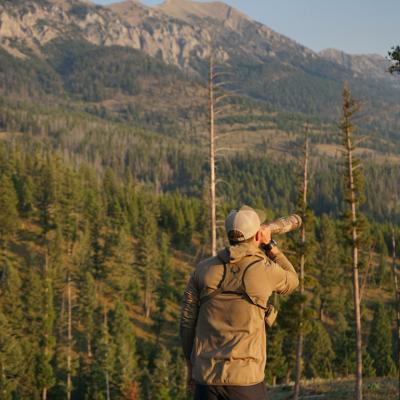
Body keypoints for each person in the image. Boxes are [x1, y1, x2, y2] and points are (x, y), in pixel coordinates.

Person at [180, 205, 299, 400]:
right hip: (246, 381)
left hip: (207, 380)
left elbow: (186, 323)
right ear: (257, 236)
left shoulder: (202, 270)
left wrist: (190, 365)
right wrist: (270, 247)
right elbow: (293, 280)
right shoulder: (265, 269)